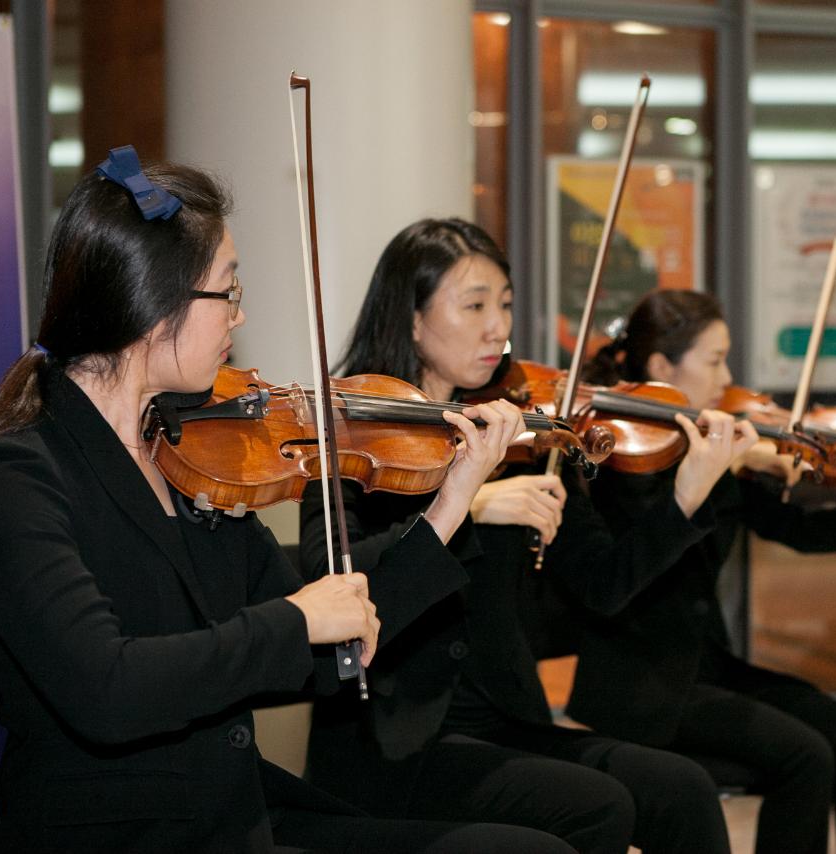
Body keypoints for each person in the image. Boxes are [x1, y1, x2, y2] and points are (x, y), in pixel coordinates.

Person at [0, 149, 572, 854]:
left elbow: (325, 649)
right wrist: (292, 621)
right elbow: (107, 689)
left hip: (232, 811)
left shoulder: (189, 455)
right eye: (228, 291)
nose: (239, 318)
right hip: (119, 833)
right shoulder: (13, 479)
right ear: (157, 300)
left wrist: (450, 505)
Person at [301, 218, 745, 854]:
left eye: (504, 304)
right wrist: (471, 503)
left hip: (504, 717)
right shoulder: (352, 430)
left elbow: (605, 582)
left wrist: (686, 495)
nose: (497, 327)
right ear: (414, 318)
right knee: (597, 807)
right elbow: (333, 578)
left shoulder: (514, 431)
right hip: (393, 737)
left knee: (679, 787)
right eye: (475, 304)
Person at [559, 289, 836, 854]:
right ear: (661, 368)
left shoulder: (717, 458)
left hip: (711, 670)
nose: (728, 379)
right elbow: (620, 580)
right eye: (715, 360)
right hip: (642, 690)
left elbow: (801, 532)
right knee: (806, 755)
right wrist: (708, 477)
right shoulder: (613, 462)